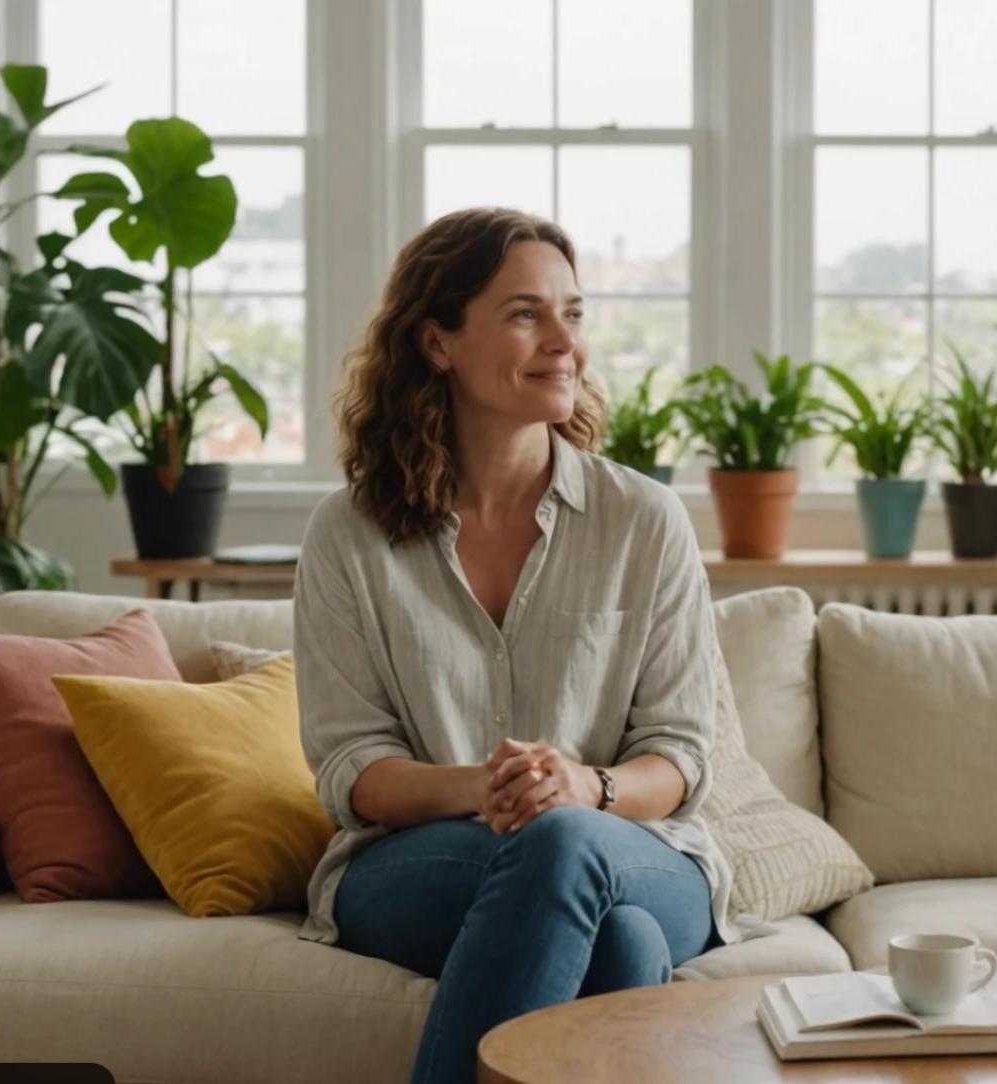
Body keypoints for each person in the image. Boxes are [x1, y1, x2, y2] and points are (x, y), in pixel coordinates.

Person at [292, 206, 746, 1084]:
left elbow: (682, 757)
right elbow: (351, 765)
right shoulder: (349, 534)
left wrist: (581, 788)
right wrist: (492, 789)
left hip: (634, 850)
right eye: (524, 314)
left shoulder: (641, 521)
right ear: (436, 343)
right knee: (622, 941)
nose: (562, 342)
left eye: (572, 313)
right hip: (419, 859)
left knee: (568, 844)